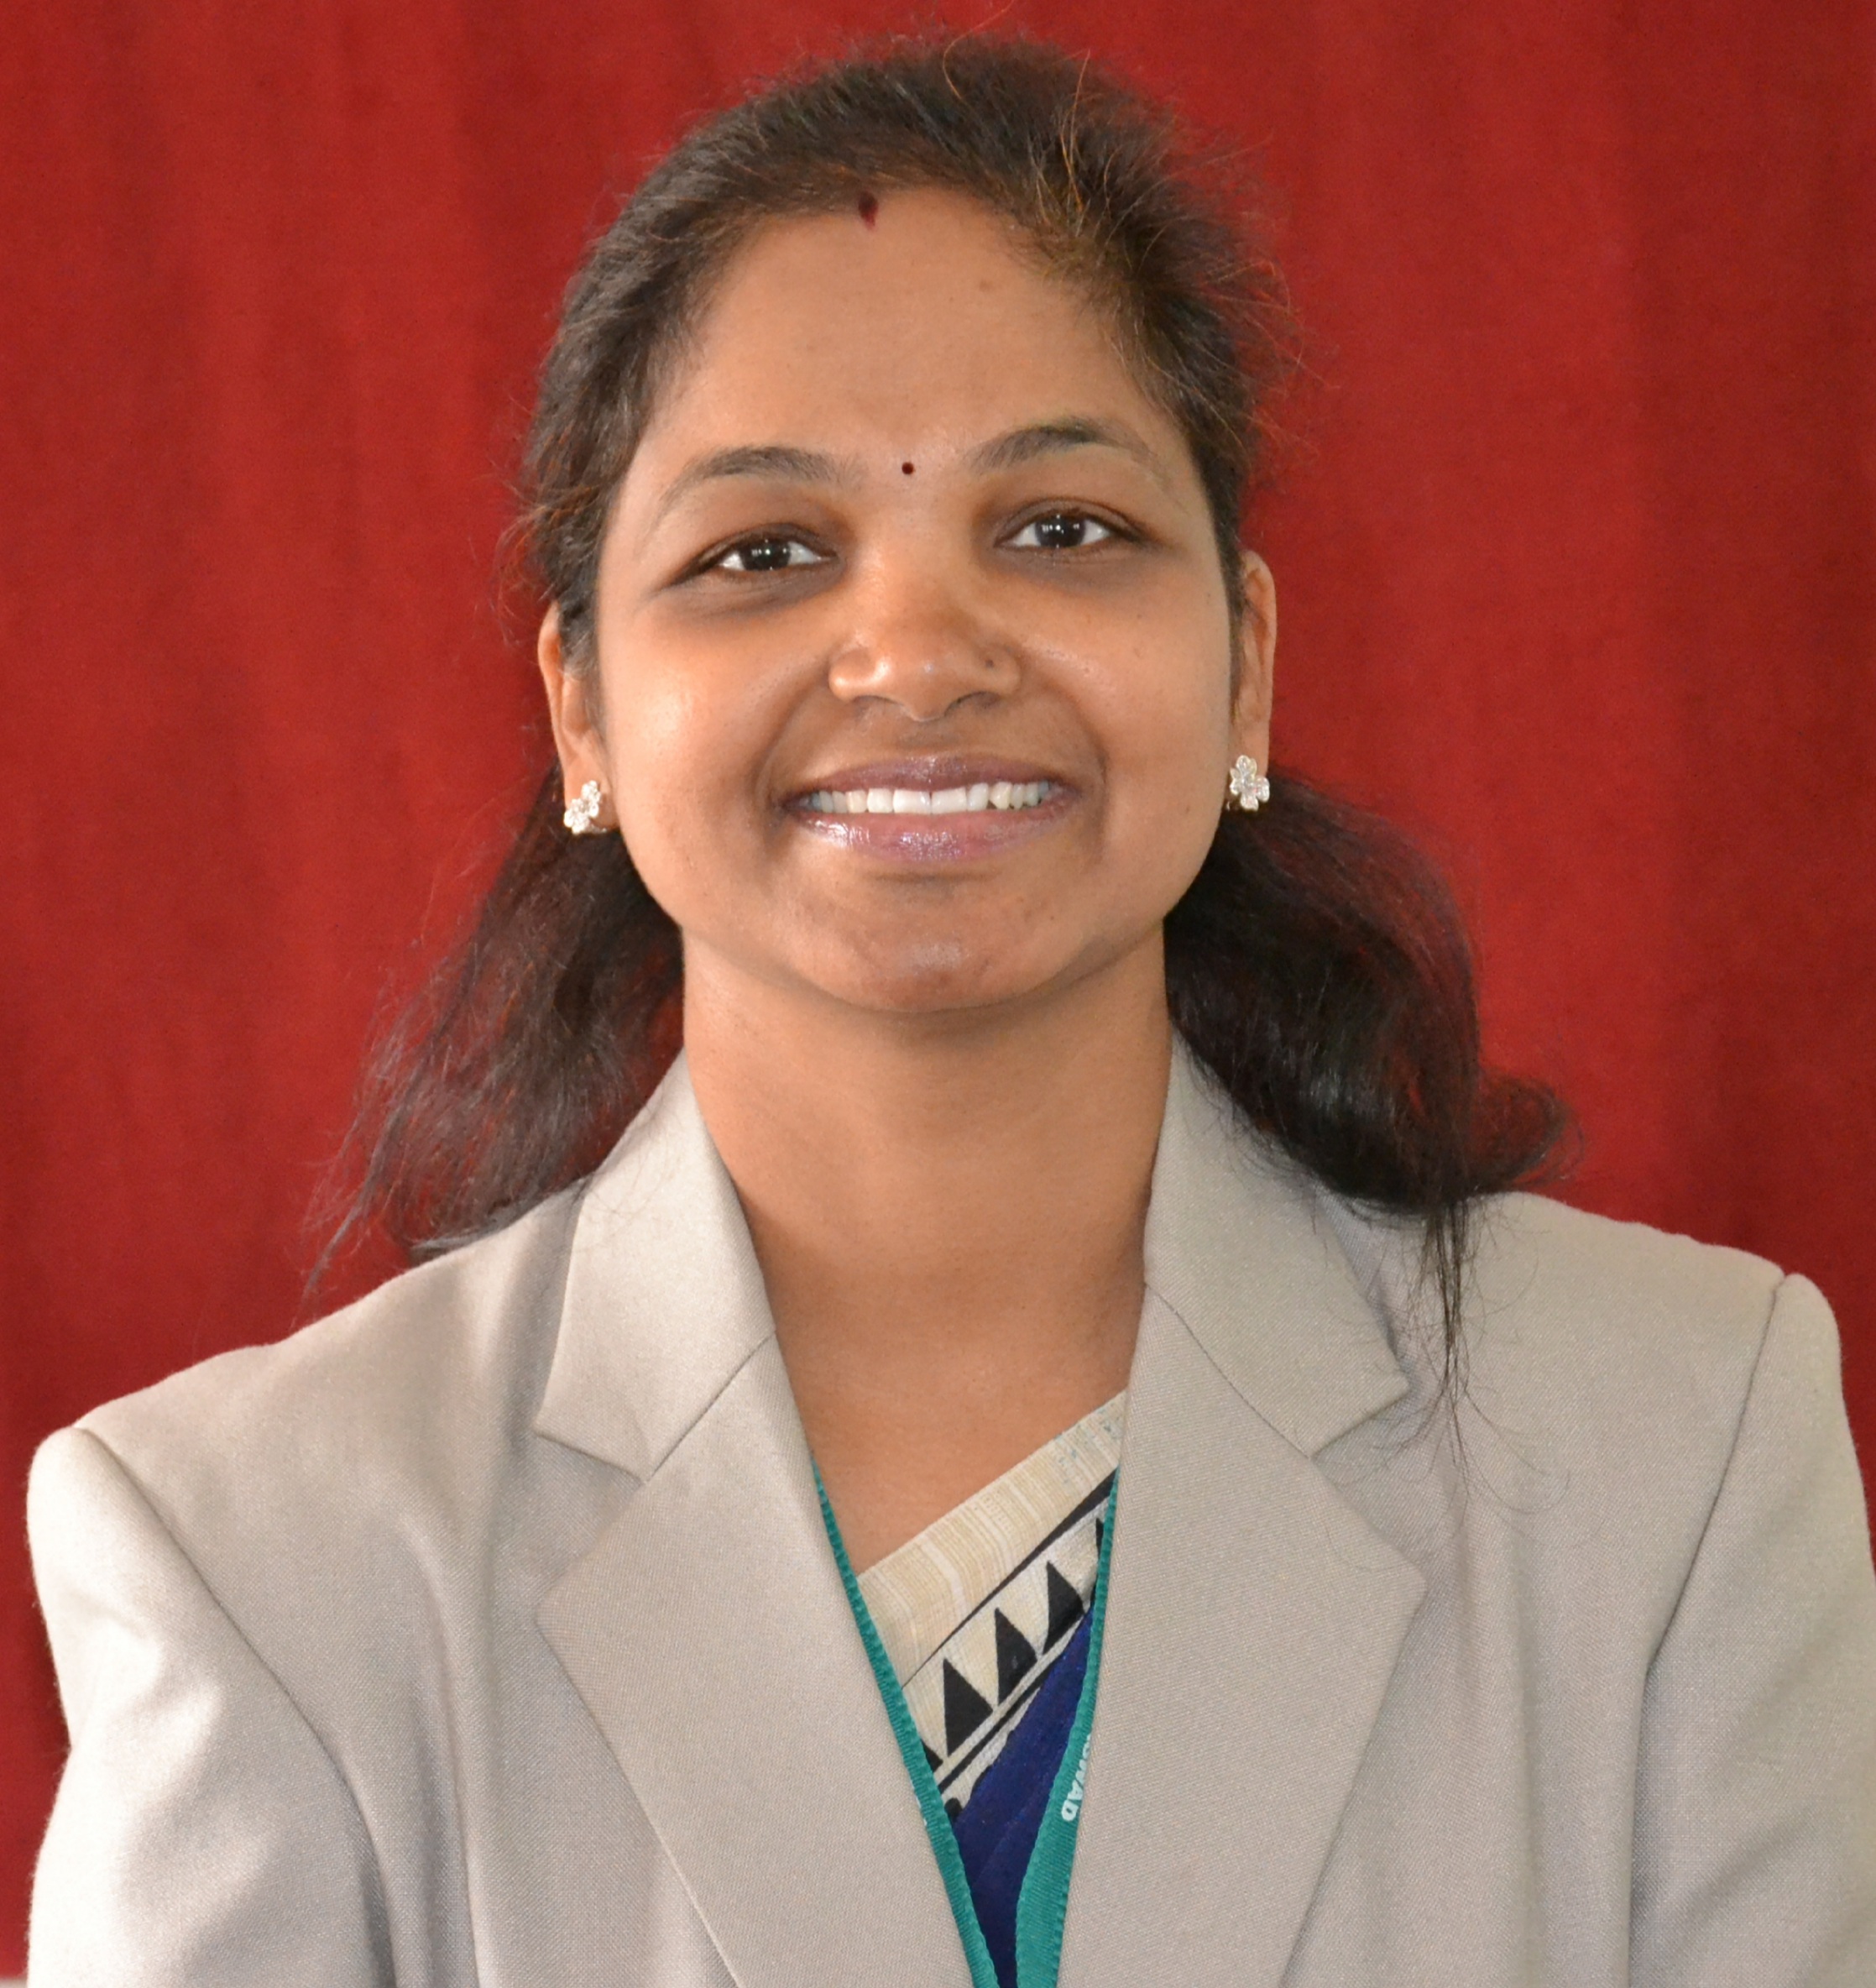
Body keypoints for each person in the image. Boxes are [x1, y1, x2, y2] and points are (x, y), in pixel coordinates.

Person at [25, 34, 1876, 1988]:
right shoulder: (264, 1556)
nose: (915, 654)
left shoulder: (1664, 1447)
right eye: (762, 553)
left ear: (1242, 664)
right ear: (581, 712)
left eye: (1059, 526)